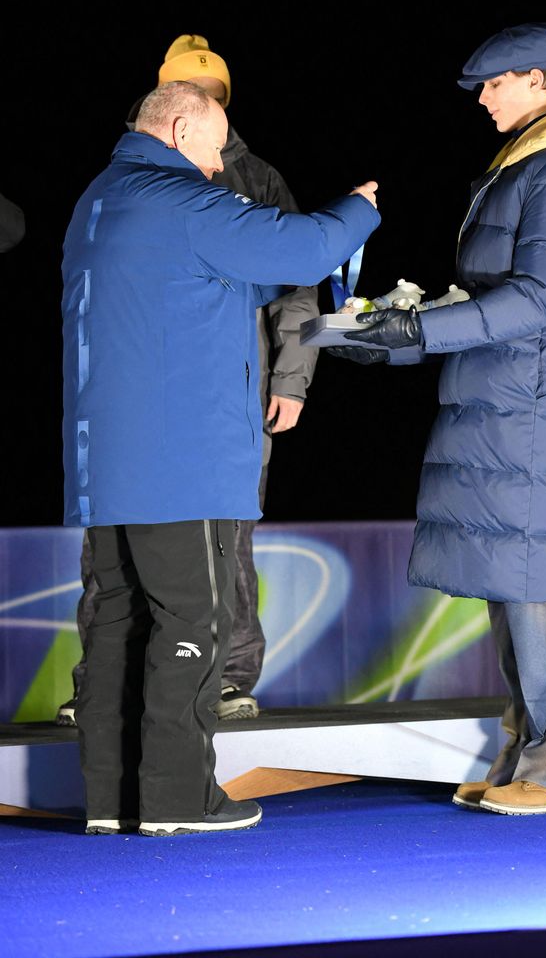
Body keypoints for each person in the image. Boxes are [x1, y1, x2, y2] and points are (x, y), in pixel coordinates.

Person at [61, 80, 379, 835]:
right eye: (212, 148)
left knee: (115, 624)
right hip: (181, 463)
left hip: (108, 464)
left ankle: (109, 801)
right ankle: (178, 799)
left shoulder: (100, 201)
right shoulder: (181, 201)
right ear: (177, 131)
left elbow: (230, 276)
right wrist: (358, 208)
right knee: (191, 622)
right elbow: (306, 245)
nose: (217, 165)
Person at [334, 22, 546, 815]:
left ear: (537, 80)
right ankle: (527, 761)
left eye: (495, 85)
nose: (484, 100)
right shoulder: (525, 167)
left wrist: (421, 332)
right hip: (505, 398)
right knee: (510, 580)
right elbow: (486, 299)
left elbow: (537, 299)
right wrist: (390, 339)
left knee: (537, 582)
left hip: (536, 406)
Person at [57, 34, 320, 727]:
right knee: (112, 545)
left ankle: (228, 677)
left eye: (218, 95)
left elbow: (299, 280)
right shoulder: (131, 180)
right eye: (194, 93)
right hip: (144, 401)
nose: (209, 106)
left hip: (228, 399)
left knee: (225, 539)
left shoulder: (256, 178)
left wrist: (291, 380)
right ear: (169, 104)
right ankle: (104, 681)